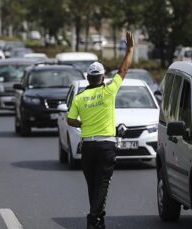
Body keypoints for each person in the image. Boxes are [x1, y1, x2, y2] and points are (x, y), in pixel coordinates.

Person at [67, 32, 134, 229]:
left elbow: (70, 120)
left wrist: (83, 125)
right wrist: (130, 49)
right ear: (103, 77)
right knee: (102, 184)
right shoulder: (108, 91)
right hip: (106, 145)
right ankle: (93, 219)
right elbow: (123, 69)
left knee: (93, 185)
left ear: (88, 78)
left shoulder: (79, 97)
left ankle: (98, 220)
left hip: (87, 146)